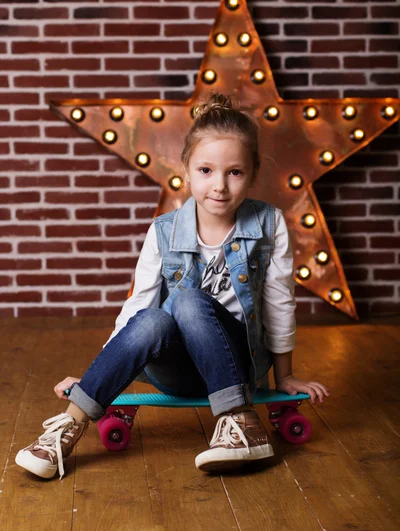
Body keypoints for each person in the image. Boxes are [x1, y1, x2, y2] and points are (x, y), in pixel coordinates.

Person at [16, 92, 329, 480]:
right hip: (177, 370)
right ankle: (66, 430)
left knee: (187, 302)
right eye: (206, 170)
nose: (219, 186)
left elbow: (279, 303)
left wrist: (284, 377)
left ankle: (240, 425)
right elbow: (136, 309)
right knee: (152, 318)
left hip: (236, 366)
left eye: (234, 172)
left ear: (253, 172)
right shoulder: (163, 231)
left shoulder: (268, 224)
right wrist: (98, 374)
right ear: (185, 169)